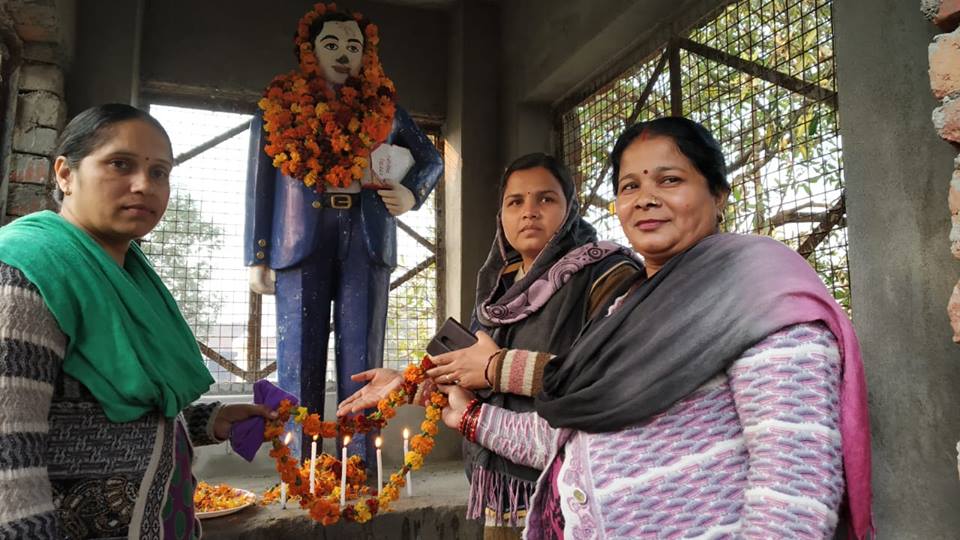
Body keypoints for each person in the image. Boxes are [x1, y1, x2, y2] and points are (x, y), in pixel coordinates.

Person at [441, 117, 873, 539]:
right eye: (630, 186)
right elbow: (570, 433)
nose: (646, 199)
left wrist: (497, 367)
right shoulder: (626, 307)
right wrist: (470, 416)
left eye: (669, 180)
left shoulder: (757, 296)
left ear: (719, 194)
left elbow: (793, 496)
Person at [0, 104, 275, 539]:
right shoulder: (26, 273)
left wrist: (210, 420)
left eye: (160, 172)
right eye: (120, 164)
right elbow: (9, 451)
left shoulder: (131, 280)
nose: (145, 185)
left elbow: (106, 410)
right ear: (65, 174)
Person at [337, 153, 640, 538]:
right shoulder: (499, 288)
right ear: (501, 216)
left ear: (570, 209)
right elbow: (471, 386)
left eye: (546, 199)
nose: (529, 212)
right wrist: (406, 384)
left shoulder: (608, 274)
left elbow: (610, 381)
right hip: (498, 490)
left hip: (572, 495)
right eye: (515, 202)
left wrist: (497, 366)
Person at [244, 4, 442, 460]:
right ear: (309, 51)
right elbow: (259, 187)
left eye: (353, 46)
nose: (343, 54)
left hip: (366, 238)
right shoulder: (277, 110)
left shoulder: (386, 111)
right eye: (331, 44)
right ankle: (301, 466)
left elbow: (430, 159)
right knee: (298, 354)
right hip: (297, 241)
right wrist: (258, 254)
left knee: (363, 355)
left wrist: (411, 192)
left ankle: (362, 462)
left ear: (365, 55)